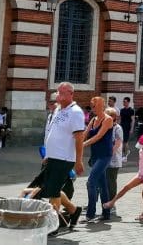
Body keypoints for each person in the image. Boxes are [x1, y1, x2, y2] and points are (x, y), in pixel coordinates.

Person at [42, 82, 86, 236]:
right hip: (52, 157)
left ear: (71, 94)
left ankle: (53, 226)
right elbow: (53, 133)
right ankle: (74, 210)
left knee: (53, 191)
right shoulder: (58, 110)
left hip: (64, 158)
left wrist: (79, 160)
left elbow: (79, 137)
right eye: (58, 92)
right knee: (49, 188)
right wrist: (47, 154)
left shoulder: (76, 112)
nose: (58, 95)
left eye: (62, 93)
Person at [104, 133, 143, 222]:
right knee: (126, 187)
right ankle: (112, 203)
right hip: (140, 175)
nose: (141, 146)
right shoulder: (141, 150)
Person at [82, 96, 115, 222]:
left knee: (91, 181)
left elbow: (99, 136)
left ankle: (90, 214)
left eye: (94, 105)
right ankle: (106, 213)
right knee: (102, 184)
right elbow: (85, 134)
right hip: (95, 155)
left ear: (102, 106)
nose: (92, 108)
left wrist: (83, 145)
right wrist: (76, 141)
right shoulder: (93, 119)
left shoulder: (108, 119)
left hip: (105, 155)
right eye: (91, 105)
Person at [106, 107, 124, 208]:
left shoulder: (117, 128)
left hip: (113, 160)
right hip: (104, 159)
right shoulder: (106, 126)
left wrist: (107, 155)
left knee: (111, 183)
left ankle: (112, 203)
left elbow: (117, 144)